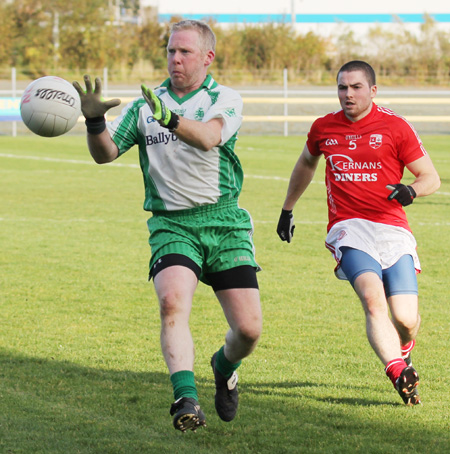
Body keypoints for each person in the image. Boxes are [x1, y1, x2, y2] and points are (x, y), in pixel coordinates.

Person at [73, 19, 262, 431]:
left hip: (224, 221)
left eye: (185, 52)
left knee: (248, 330)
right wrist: (93, 123)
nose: (175, 59)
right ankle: (185, 398)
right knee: (172, 302)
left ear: (207, 57)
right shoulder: (146, 104)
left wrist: (171, 120)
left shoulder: (224, 98)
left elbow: (210, 137)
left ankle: (222, 365)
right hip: (172, 224)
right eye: (171, 51)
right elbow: (105, 154)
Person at [277, 60, 440, 406]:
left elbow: (431, 178)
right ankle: (398, 371)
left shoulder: (396, 126)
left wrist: (411, 191)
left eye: (355, 87)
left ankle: (404, 349)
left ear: (373, 90)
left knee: (406, 319)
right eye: (341, 87)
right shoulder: (324, 128)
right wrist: (287, 208)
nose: (347, 94)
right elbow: (306, 163)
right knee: (371, 297)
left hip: (392, 229)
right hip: (349, 228)